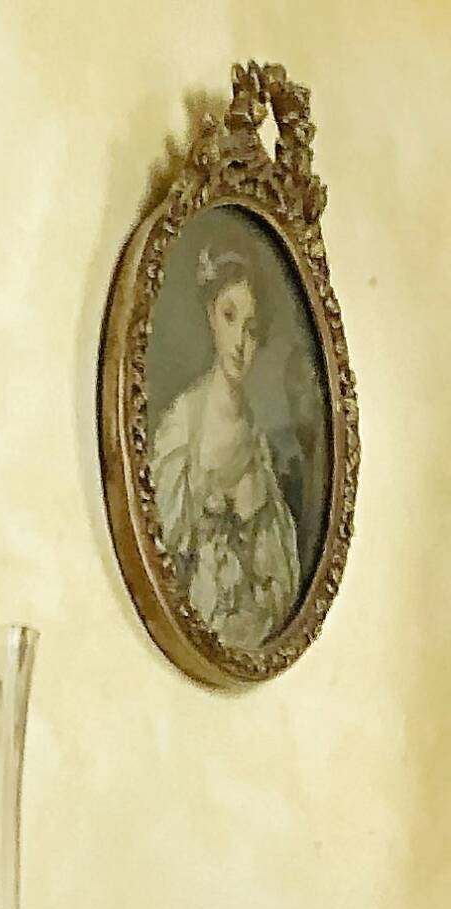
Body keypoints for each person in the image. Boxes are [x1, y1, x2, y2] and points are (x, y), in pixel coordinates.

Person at [150, 232, 305, 653]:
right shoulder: (182, 429)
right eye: (230, 317)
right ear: (210, 317)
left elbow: (279, 586)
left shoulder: (259, 448)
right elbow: (162, 561)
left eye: (252, 330)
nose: (240, 343)